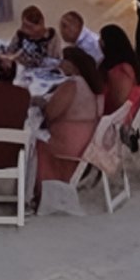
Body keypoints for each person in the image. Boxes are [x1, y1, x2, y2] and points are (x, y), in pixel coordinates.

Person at [35, 47, 103, 196]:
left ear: (72, 64)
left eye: (63, 61)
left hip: (68, 147)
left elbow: (51, 113)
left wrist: (40, 103)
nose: (60, 65)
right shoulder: (91, 84)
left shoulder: (73, 84)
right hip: (85, 143)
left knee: (34, 141)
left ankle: (38, 190)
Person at [98, 24, 140, 118]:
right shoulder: (106, 65)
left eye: (101, 39)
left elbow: (120, 102)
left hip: (120, 118)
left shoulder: (121, 69)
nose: (99, 42)